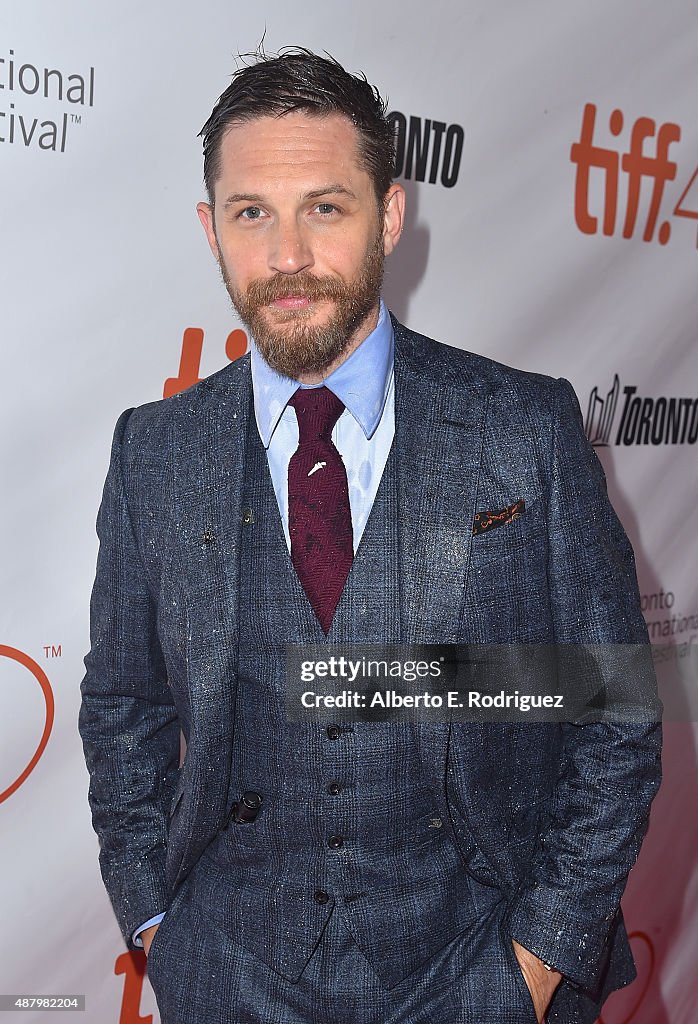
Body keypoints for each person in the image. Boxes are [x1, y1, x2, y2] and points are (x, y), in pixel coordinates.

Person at [79, 48, 662, 1024]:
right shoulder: (154, 450)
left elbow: (610, 707)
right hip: (227, 974)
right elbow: (122, 707)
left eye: (325, 205)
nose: (286, 254)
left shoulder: (522, 424)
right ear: (209, 227)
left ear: (388, 214)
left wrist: (538, 956)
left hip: (477, 968)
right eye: (250, 211)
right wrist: (155, 926)